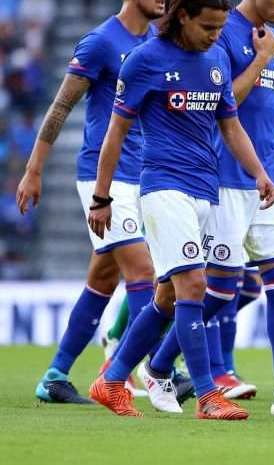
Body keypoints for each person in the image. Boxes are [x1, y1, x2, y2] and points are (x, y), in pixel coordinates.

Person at [87, 0, 274, 420]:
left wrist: (260, 172)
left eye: (220, 27)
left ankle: (112, 380)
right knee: (193, 285)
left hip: (205, 189)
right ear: (183, 16)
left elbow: (230, 125)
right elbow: (115, 132)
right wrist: (101, 197)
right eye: (208, 27)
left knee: (169, 296)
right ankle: (208, 395)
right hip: (163, 187)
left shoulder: (217, 59)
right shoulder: (145, 60)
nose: (215, 36)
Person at [140, 0, 274, 416]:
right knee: (217, 292)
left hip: (269, 178)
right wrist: (260, 60)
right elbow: (222, 104)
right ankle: (159, 364)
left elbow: (269, 116)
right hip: (226, 178)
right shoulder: (219, 31)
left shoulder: (273, 39)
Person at [17, 0, 165, 405]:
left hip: (141, 173)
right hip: (103, 177)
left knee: (103, 278)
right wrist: (34, 169)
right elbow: (61, 105)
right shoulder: (101, 42)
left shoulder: (156, 40)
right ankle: (157, 370)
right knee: (143, 272)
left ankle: (55, 376)